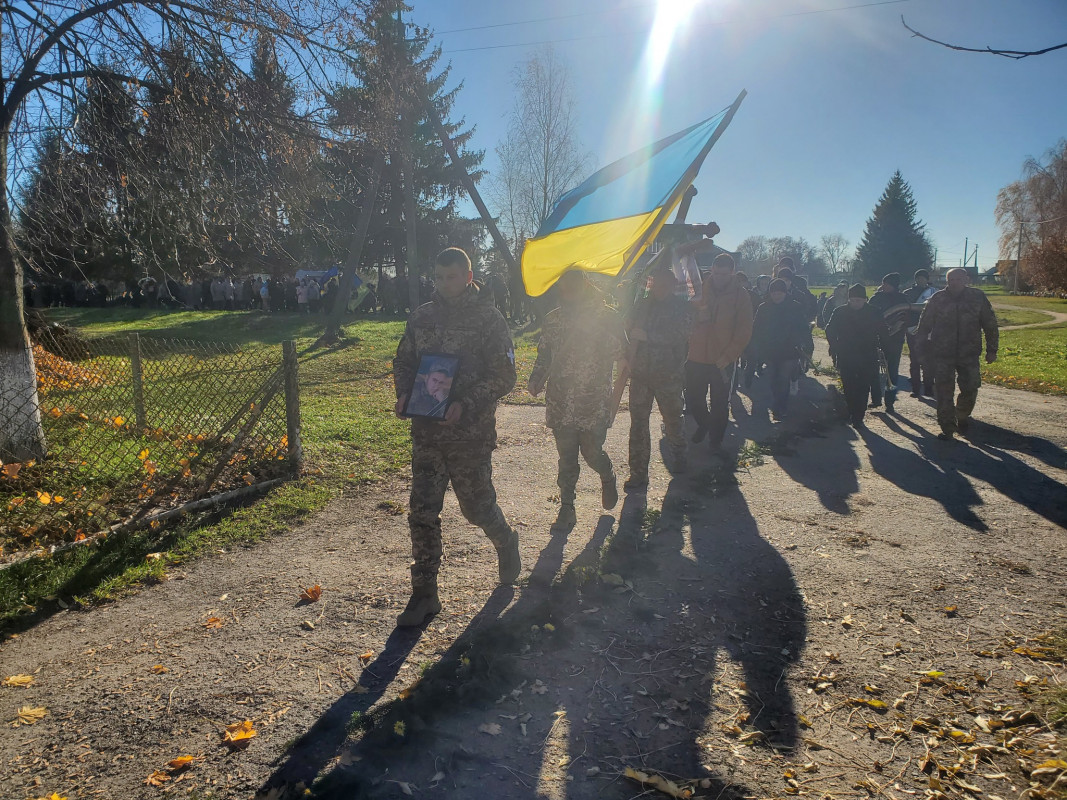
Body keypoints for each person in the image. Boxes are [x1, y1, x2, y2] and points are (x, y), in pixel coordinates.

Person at [393, 247, 521, 626]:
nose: (444, 284)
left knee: (476, 507)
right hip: (427, 432)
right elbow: (404, 360)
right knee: (422, 510)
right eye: (438, 277)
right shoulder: (421, 317)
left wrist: (465, 402)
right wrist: (403, 392)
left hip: (470, 434)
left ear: (468, 276)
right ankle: (424, 593)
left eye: (451, 277)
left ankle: (505, 540)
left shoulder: (489, 319)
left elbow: (505, 375)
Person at [529, 269, 625, 528]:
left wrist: (598, 329)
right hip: (560, 399)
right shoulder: (553, 319)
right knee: (567, 456)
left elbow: (622, 354)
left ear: (584, 284)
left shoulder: (606, 317)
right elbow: (545, 353)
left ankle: (607, 475)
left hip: (592, 400)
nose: (567, 289)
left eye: (573, 283)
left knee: (592, 452)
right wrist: (536, 378)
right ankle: (567, 508)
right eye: (563, 284)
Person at [624, 264, 691, 491]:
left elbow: (681, 335)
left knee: (672, 420)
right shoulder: (642, 305)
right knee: (638, 425)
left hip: (669, 375)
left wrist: (648, 335)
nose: (659, 289)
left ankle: (680, 456)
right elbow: (629, 330)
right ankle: (638, 473)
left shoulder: (681, 307)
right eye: (656, 284)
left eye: (665, 284)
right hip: (641, 375)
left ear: (672, 285)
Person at [915, 268, 998, 441]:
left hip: (969, 352)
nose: (955, 282)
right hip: (942, 353)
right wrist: (920, 350)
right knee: (944, 391)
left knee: (970, 387)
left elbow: (990, 324)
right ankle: (947, 427)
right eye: (951, 279)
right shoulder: (938, 299)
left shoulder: (977, 297)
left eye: (959, 279)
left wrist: (992, 350)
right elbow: (924, 326)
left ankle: (962, 415)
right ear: (947, 281)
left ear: (966, 279)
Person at [685, 253, 752, 454]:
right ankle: (705, 423)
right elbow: (684, 315)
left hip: (722, 359)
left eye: (724, 274)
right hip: (695, 356)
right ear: (711, 270)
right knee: (693, 398)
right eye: (716, 273)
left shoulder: (741, 296)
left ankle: (716, 440)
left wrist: (729, 356)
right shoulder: (698, 289)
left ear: (732, 273)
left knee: (720, 403)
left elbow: (744, 330)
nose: (719, 278)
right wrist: (698, 316)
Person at [826, 284, 888, 428]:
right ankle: (851, 410)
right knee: (848, 385)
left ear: (865, 299)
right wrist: (834, 346)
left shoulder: (874, 312)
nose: (856, 303)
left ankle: (858, 415)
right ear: (849, 299)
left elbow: (883, 331)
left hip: (868, 355)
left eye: (859, 300)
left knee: (863, 386)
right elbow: (830, 329)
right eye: (853, 300)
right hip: (846, 354)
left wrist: (886, 347)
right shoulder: (840, 312)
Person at [751, 278, 811, 421]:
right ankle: (777, 404)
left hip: (789, 351)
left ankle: (780, 407)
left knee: (783, 380)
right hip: (770, 351)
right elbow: (756, 329)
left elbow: (803, 328)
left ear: (785, 293)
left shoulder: (795, 307)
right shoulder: (763, 308)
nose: (777, 296)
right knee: (772, 379)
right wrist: (754, 347)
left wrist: (808, 345)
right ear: (770, 293)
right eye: (774, 293)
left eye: (780, 293)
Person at [867, 273, 911, 406]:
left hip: (895, 339)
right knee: (873, 370)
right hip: (876, 338)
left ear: (893, 285)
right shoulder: (876, 298)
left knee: (892, 371)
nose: (883, 286)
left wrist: (898, 326)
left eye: (886, 283)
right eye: (883, 283)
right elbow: (869, 316)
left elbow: (907, 317)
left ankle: (889, 401)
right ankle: (875, 399)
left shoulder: (903, 299)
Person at [903, 269, 937, 397]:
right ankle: (915, 389)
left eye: (923, 277)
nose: (920, 280)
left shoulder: (934, 293)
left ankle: (928, 387)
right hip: (912, 329)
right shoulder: (908, 293)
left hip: (929, 330)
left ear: (927, 279)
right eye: (918, 278)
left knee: (929, 360)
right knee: (915, 360)